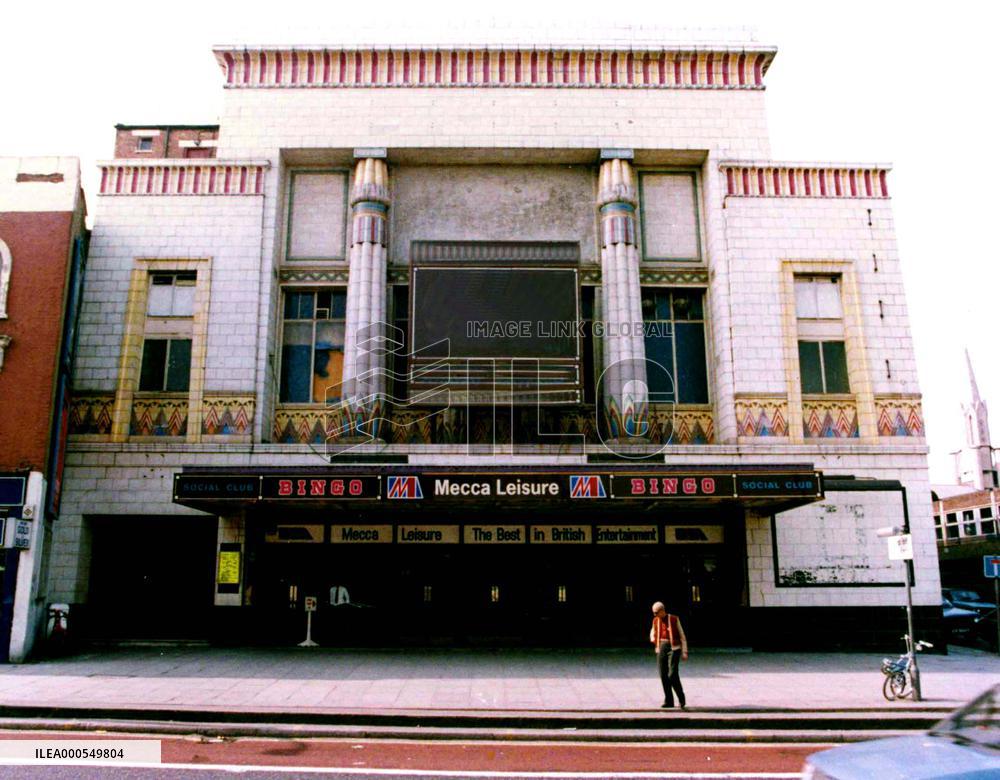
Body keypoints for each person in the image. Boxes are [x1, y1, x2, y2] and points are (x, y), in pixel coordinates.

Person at [649, 601, 688, 709]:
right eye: (653, 613)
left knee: (672, 674)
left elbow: (682, 635)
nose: (655, 615)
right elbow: (652, 632)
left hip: (674, 648)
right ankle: (669, 700)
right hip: (661, 646)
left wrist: (684, 651)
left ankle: (681, 698)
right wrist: (653, 638)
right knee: (663, 674)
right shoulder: (655, 620)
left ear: (662, 611)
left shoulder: (674, 619)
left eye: (656, 612)